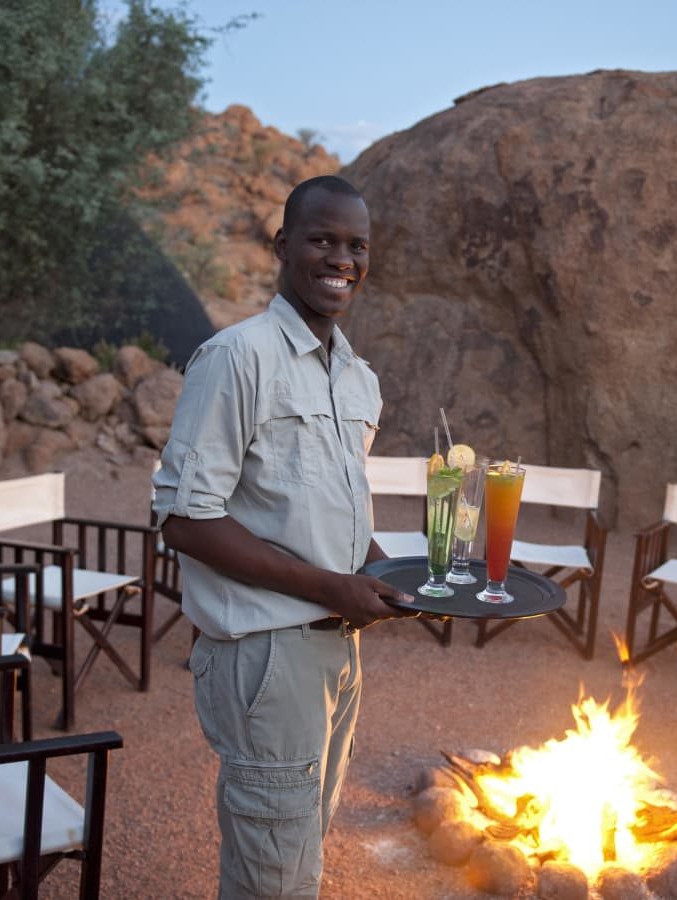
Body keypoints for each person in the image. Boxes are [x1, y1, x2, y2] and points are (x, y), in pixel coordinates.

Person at [152, 175, 414, 898]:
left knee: (297, 848)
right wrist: (332, 586)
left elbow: (330, 509)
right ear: (284, 246)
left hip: (337, 652)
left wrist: (387, 574)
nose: (342, 259)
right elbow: (186, 518)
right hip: (269, 654)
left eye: (356, 246)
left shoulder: (358, 379)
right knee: (275, 877)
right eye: (323, 239)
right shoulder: (237, 358)